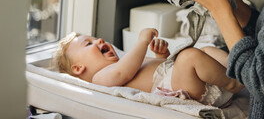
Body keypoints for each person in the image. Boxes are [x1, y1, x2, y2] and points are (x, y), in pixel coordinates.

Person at [54, 28, 244, 107]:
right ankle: (233, 83)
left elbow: (158, 69)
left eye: (96, 39)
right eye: (89, 44)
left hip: (190, 79)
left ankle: (237, 69)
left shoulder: (123, 62)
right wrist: (143, 41)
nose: (100, 40)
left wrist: (160, 56)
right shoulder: (100, 79)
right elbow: (124, 72)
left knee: (206, 49)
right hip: (184, 89)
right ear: (79, 68)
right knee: (189, 57)